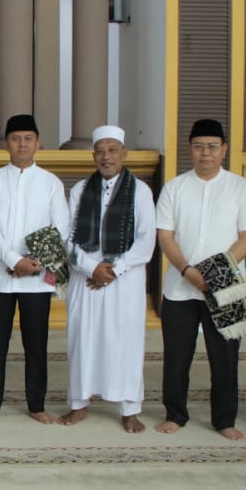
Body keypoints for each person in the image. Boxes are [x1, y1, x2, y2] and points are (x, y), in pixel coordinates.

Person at [155, 118, 246, 439]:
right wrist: (188, 271)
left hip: (226, 288)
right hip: (180, 288)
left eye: (212, 147)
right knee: (177, 357)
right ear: (190, 149)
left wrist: (214, 275)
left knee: (225, 357)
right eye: (199, 146)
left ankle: (225, 420)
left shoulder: (240, 188)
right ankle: (175, 414)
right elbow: (165, 236)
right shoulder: (174, 187)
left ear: (224, 150)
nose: (205, 153)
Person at [59, 126, 156, 432]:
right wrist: (92, 268)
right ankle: (79, 404)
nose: (106, 157)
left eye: (112, 150)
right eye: (100, 151)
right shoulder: (80, 190)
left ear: (124, 153)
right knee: (82, 340)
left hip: (124, 280)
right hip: (86, 278)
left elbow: (146, 241)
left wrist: (112, 270)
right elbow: (67, 239)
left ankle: (129, 409)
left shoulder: (140, 191)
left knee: (125, 342)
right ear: (93, 156)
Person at [0, 113, 69, 424]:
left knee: (36, 343)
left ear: (38, 143)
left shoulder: (51, 183)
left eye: (28, 139)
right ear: (6, 144)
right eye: (16, 139)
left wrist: (33, 262)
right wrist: (13, 260)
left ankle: (37, 404)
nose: (22, 144)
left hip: (37, 279)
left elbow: (61, 229)